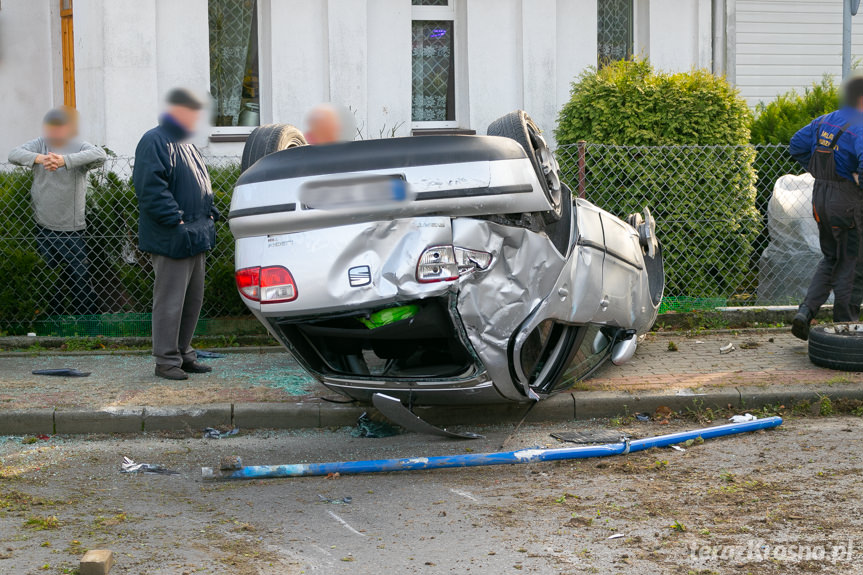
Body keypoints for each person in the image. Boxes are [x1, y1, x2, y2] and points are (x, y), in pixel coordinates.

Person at [133, 88, 220, 380]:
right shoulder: (154, 140)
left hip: (194, 235)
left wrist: (209, 213)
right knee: (170, 301)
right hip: (173, 237)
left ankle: (183, 354)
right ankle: (166, 361)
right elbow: (151, 190)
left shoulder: (185, 142)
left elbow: (199, 185)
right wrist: (177, 223)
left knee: (192, 300)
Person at [8, 108, 106, 315]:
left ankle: (87, 324)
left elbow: (100, 155)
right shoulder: (40, 144)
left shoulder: (79, 146)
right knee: (49, 282)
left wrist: (64, 161)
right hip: (43, 226)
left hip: (73, 229)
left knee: (80, 279)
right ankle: (52, 321)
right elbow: (13, 154)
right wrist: (42, 159)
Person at [789, 76, 863, 340]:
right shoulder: (861, 125)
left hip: (820, 196)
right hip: (847, 201)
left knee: (831, 258)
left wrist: (818, 172)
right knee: (852, 263)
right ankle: (845, 328)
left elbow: (796, 145)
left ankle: (805, 312)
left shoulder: (824, 120)